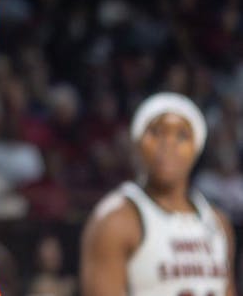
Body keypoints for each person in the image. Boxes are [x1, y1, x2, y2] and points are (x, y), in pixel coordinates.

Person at [80, 92, 235, 295]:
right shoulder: (115, 219)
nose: (168, 144)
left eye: (181, 135)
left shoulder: (218, 222)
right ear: (137, 142)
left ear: (196, 146)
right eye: (156, 132)